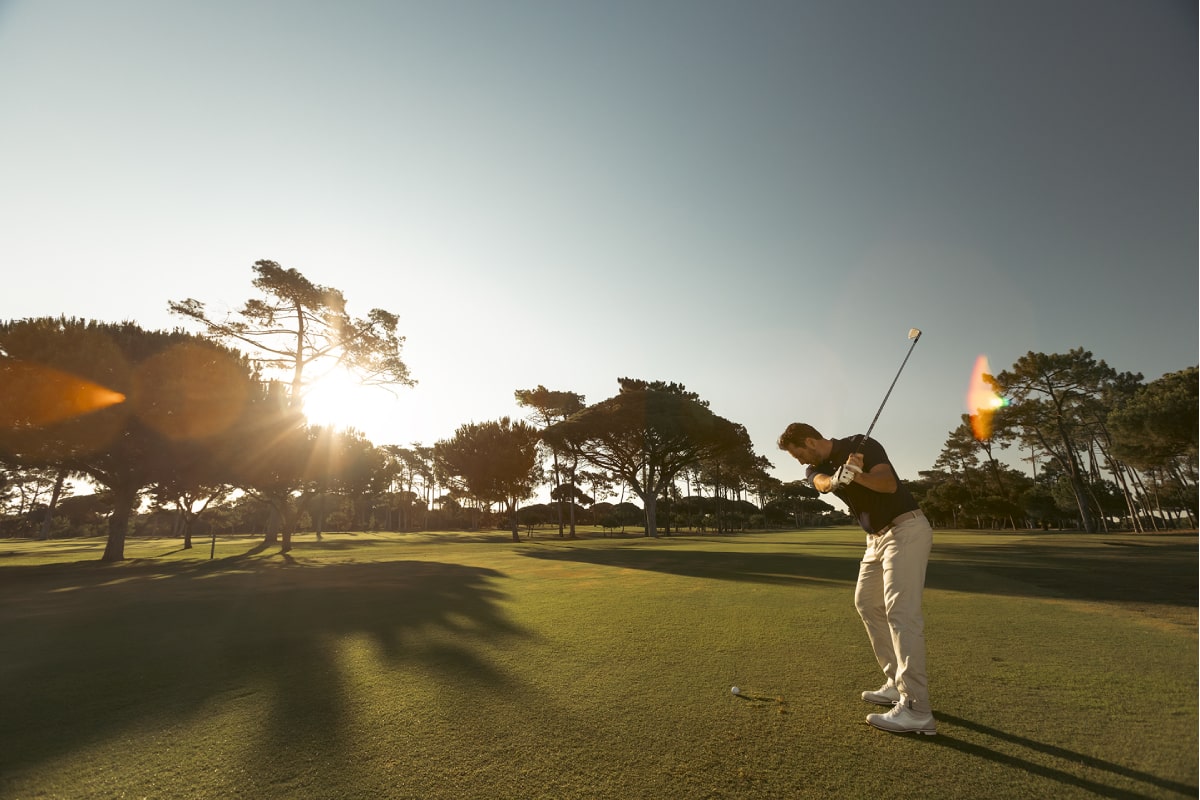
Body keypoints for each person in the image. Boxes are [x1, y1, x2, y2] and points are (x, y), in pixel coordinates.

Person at [777, 422, 936, 735]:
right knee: (866, 603)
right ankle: (895, 682)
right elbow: (821, 484)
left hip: (904, 529)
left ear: (809, 441)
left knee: (901, 615)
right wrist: (838, 478)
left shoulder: (861, 444)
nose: (800, 462)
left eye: (798, 454)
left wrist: (859, 475)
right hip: (875, 539)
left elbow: (889, 485)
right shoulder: (815, 468)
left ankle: (918, 709)